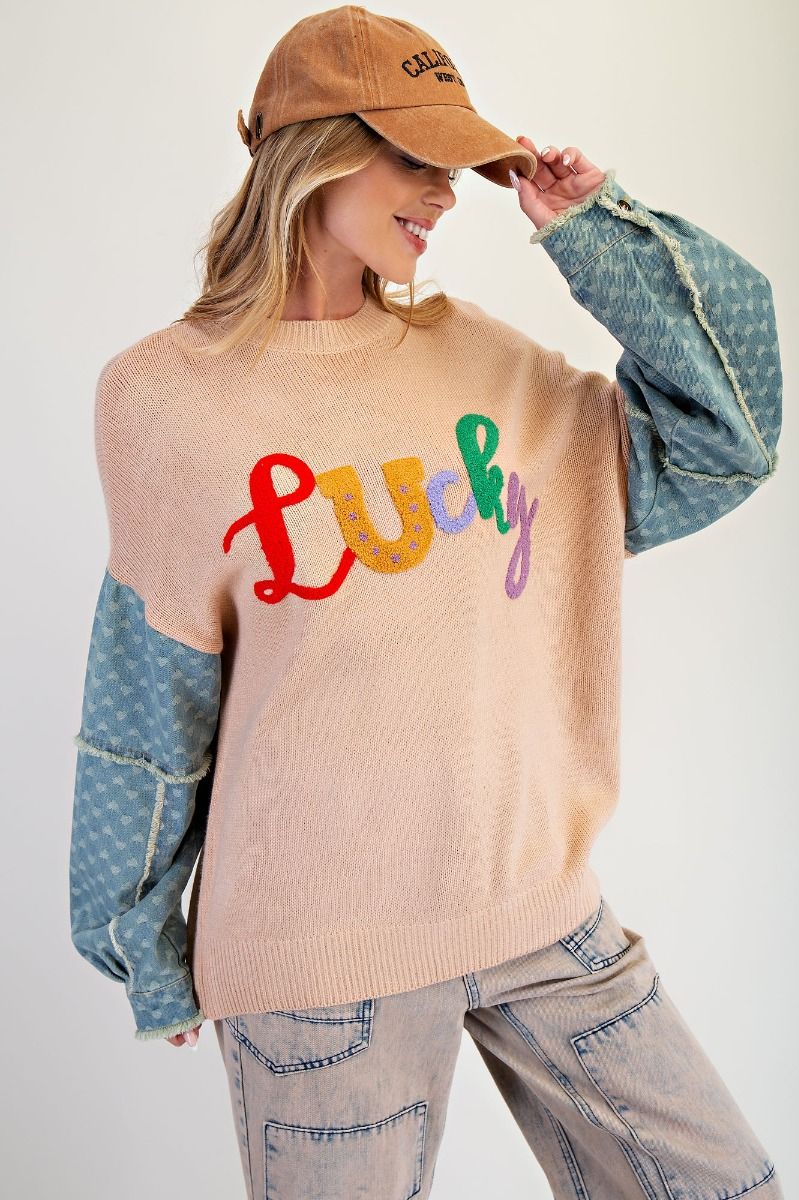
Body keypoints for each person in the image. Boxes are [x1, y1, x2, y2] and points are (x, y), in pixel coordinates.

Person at [68, 5, 785, 1198]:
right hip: (317, 965)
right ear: (316, 152)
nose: (446, 193)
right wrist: (140, 939)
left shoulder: (484, 361)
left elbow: (729, 434)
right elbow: (149, 697)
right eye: (416, 158)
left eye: (454, 165)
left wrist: (596, 229)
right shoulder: (162, 398)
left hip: (541, 914)